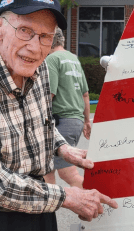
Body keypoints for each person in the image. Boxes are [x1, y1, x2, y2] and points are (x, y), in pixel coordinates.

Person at [0, 0, 117, 231]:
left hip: (36, 203)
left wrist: (61, 148)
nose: (35, 47)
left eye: (45, 36)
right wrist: (68, 197)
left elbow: (41, 120)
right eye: (25, 31)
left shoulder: (41, 69)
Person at [44, 27, 91, 189]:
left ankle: (98, 197)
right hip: (75, 121)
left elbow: (50, 94)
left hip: (61, 120)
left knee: (67, 173)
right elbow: (85, 94)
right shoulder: (73, 59)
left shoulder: (52, 59)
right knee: (47, 169)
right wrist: (86, 121)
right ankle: (49, 212)